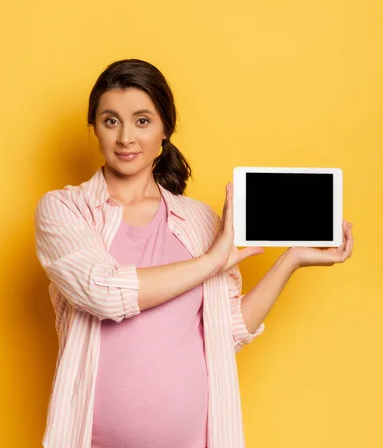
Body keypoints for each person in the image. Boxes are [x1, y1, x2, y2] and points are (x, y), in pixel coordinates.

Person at [34, 58, 354, 448]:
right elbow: (102, 292)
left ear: (165, 130)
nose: (125, 138)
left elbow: (227, 330)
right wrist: (210, 262)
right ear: (95, 128)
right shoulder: (65, 210)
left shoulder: (199, 222)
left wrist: (291, 260)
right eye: (110, 120)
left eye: (142, 120)